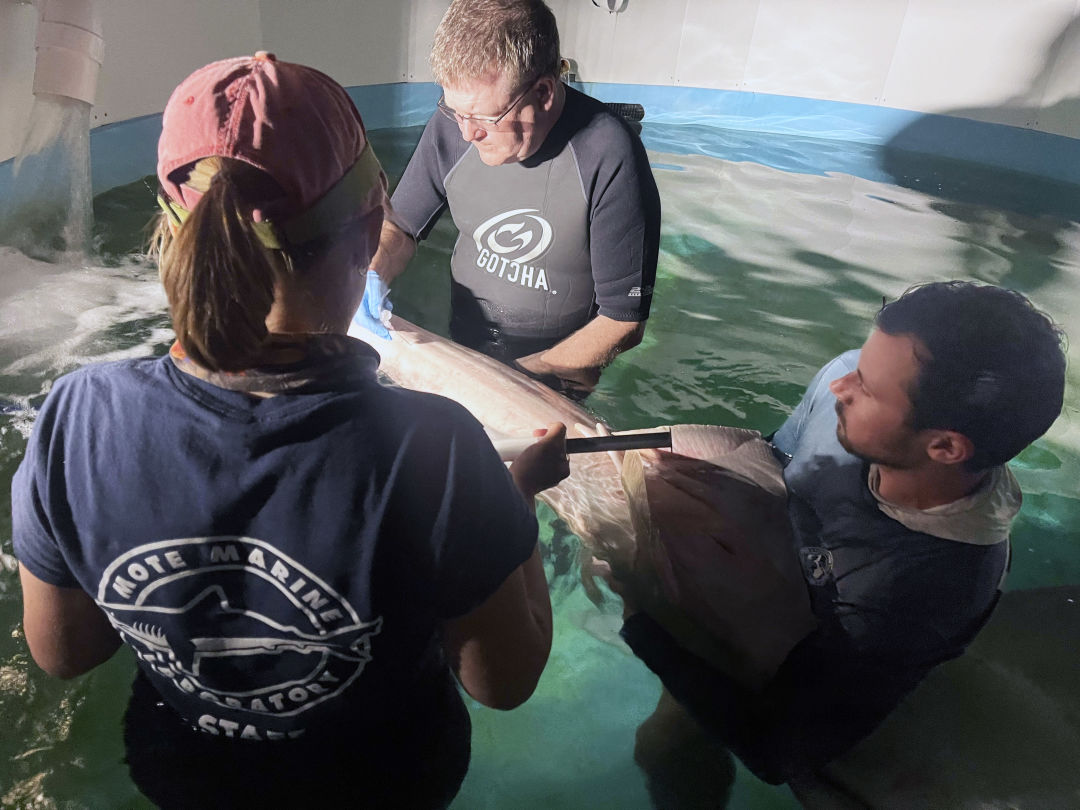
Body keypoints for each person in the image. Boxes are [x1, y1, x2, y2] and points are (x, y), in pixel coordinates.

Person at [12, 53, 569, 809]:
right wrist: (514, 505)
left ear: (172, 230)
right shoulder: (434, 449)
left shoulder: (78, 416)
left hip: (183, 770)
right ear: (370, 226)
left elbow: (64, 653)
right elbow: (504, 682)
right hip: (384, 781)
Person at [611, 281, 1067, 791]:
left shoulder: (926, 591)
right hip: (765, 579)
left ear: (944, 446)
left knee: (664, 744)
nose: (839, 385)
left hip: (816, 654)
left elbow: (779, 752)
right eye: (862, 366)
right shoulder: (848, 386)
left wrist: (640, 612)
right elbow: (778, 464)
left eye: (867, 388)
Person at [358, 0, 661, 397]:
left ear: (543, 91)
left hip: (556, 369)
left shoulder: (608, 154)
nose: (467, 133)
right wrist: (373, 275)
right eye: (455, 112)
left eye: (484, 118)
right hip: (462, 344)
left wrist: (529, 372)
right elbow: (400, 227)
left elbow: (623, 321)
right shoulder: (452, 125)